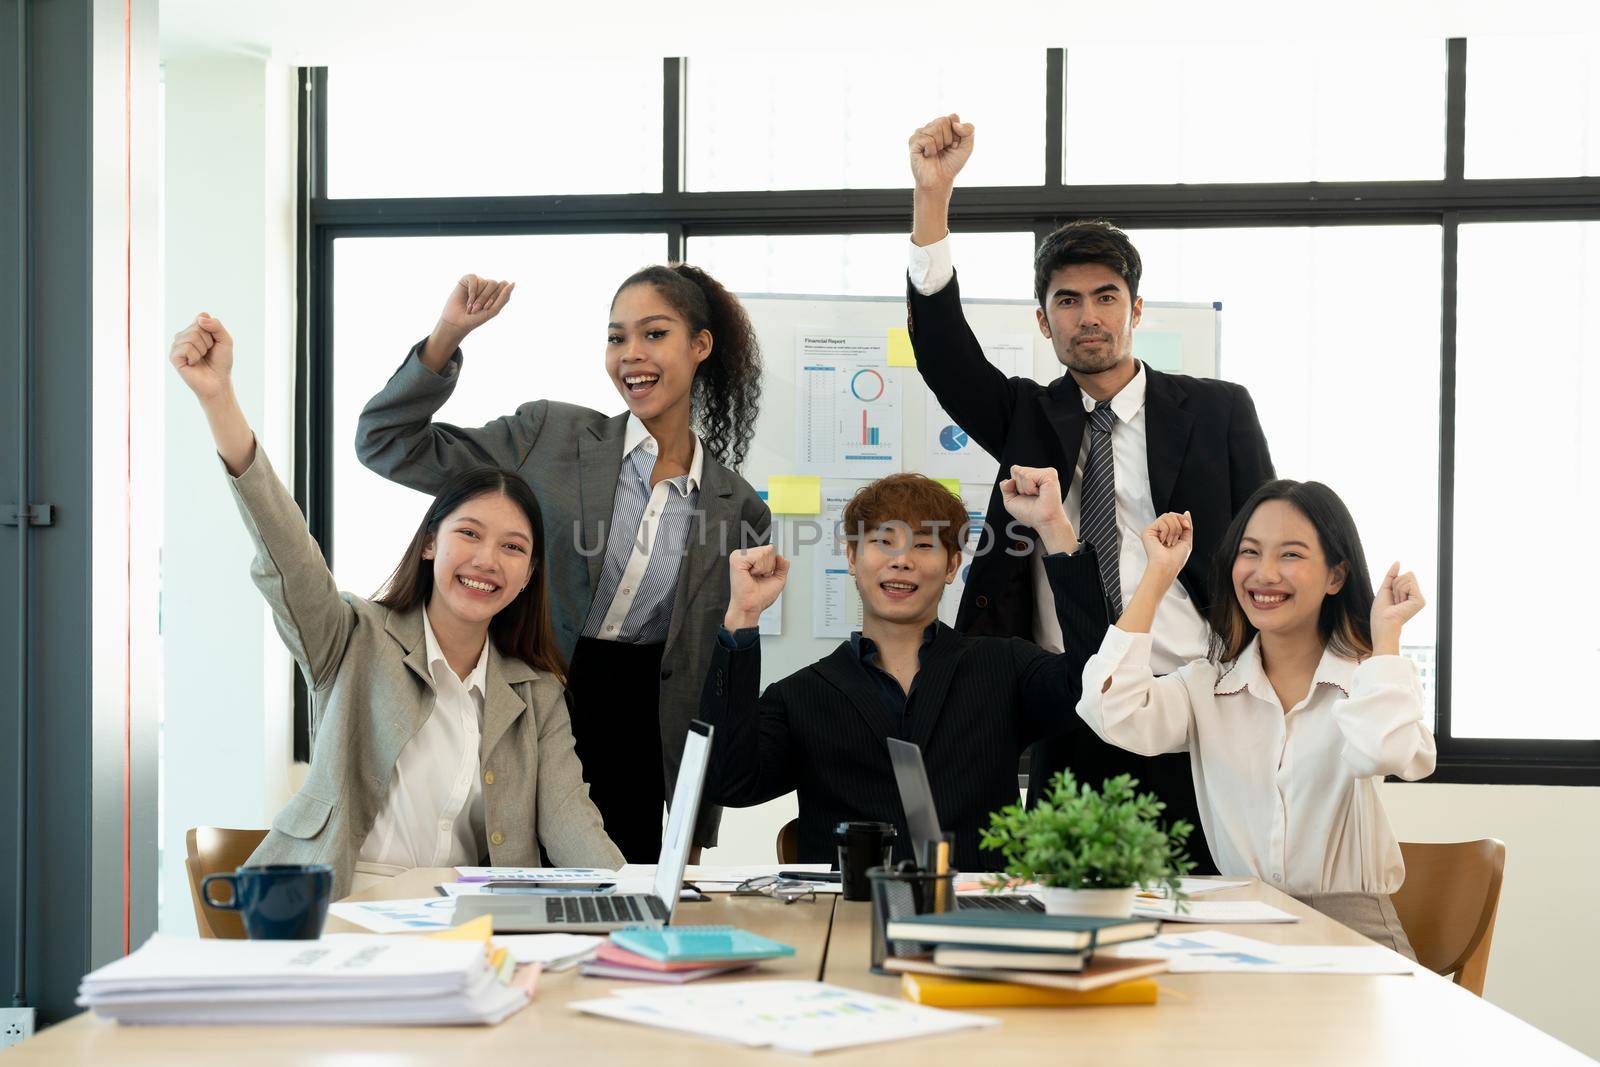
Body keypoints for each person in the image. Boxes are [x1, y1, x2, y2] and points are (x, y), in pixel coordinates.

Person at [904, 113, 1277, 870]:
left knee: (1201, 905)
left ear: (1136, 310)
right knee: (1064, 901)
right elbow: (943, 355)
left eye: (1106, 297)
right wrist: (933, 199)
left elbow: (1263, 549)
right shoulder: (1025, 417)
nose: (1089, 316)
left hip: (1193, 701)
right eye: (1067, 301)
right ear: (1044, 323)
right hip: (1069, 700)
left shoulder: (1217, 410)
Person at [169, 312, 622, 898]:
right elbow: (286, 550)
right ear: (431, 542)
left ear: (529, 574)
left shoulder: (536, 690)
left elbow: (571, 822)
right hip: (338, 904)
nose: (488, 560)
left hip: (466, 921)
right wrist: (218, 399)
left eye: (513, 548)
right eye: (469, 534)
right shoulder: (353, 637)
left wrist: (644, 901)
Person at [355, 266, 769, 862]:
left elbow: (708, 667)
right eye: (616, 337)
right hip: (528, 694)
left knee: (619, 910)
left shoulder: (740, 508)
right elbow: (387, 443)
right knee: (512, 892)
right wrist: (448, 336)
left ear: (700, 346)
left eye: (654, 335)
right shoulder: (549, 434)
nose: (631, 355)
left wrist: (692, 819)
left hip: (642, 732)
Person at [1077, 482, 1434, 956]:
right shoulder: (1207, 685)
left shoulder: (1370, 680)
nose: (1265, 573)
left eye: (1290, 555)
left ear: (1335, 575)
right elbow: (1110, 710)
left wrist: (1385, 637)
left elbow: (1384, 750)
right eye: (1250, 552)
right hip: (1240, 927)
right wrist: (1158, 576)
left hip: (1354, 934)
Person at [699, 467, 1103, 872]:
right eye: (883, 542)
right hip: (847, 916)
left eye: (924, 545)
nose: (902, 561)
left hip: (977, 916)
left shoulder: (1005, 667)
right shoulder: (799, 695)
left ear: (952, 566)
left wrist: (1053, 528)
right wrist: (742, 616)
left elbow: (1096, 687)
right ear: (853, 559)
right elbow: (729, 782)